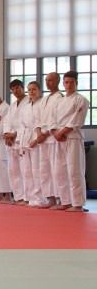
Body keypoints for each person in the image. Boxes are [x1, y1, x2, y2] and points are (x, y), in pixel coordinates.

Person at [52, 70, 89, 212]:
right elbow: (52, 120)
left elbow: (76, 120)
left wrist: (62, 132)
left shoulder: (81, 100)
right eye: (66, 82)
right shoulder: (59, 101)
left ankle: (77, 204)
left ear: (76, 83)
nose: (68, 85)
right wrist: (55, 132)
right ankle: (65, 201)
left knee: (74, 170)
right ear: (63, 83)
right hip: (59, 138)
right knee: (59, 171)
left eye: (71, 82)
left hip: (73, 137)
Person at [35, 72, 63, 207]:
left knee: (56, 169)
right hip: (42, 139)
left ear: (57, 81)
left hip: (52, 138)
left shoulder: (60, 98)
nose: (47, 83)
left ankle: (60, 198)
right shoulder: (44, 99)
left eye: (50, 80)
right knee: (44, 170)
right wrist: (38, 133)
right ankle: (50, 198)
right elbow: (38, 119)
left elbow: (57, 119)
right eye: (46, 80)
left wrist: (45, 134)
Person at [4, 79, 29, 204]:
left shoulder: (29, 102)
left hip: (22, 138)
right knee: (13, 170)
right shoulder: (12, 105)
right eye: (13, 89)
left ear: (22, 88)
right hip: (11, 141)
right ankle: (18, 196)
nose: (15, 91)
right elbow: (7, 122)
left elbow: (27, 122)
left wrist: (15, 134)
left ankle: (26, 197)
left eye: (17, 88)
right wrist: (7, 135)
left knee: (24, 170)